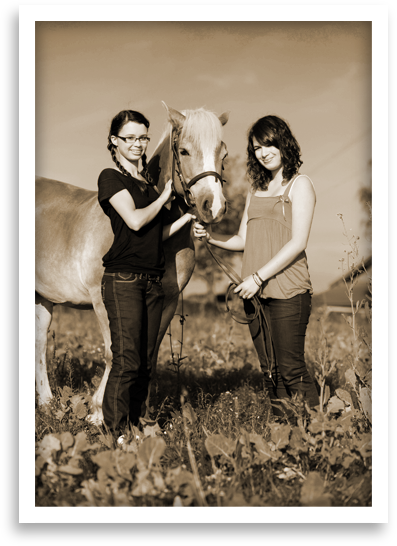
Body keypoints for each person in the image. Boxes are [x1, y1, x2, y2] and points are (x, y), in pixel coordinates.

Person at [193, 115, 319, 419]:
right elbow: (242, 239)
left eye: (269, 144)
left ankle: (321, 435)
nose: (264, 152)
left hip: (288, 290)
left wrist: (258, 277)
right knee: (271, 371)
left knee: (291, 370)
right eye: (257, 147)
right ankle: (284, 433)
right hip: (254, 293)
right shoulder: (256, 188)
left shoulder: (299, 185)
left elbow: (298, 242)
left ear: (283, 142)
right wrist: (211, 237)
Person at [97, 109, 195, 435]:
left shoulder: (147, 185)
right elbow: (136, 221)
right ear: (115, 141)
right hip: (123, 280)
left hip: (153, 282)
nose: (138, 144)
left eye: (143, 138)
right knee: (126, 361)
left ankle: (138, 427)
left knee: (145, 364)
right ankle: (114, 434)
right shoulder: (111, 178)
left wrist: (189, 220)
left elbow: (156, 236)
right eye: (130, 138)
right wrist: (166, 196)